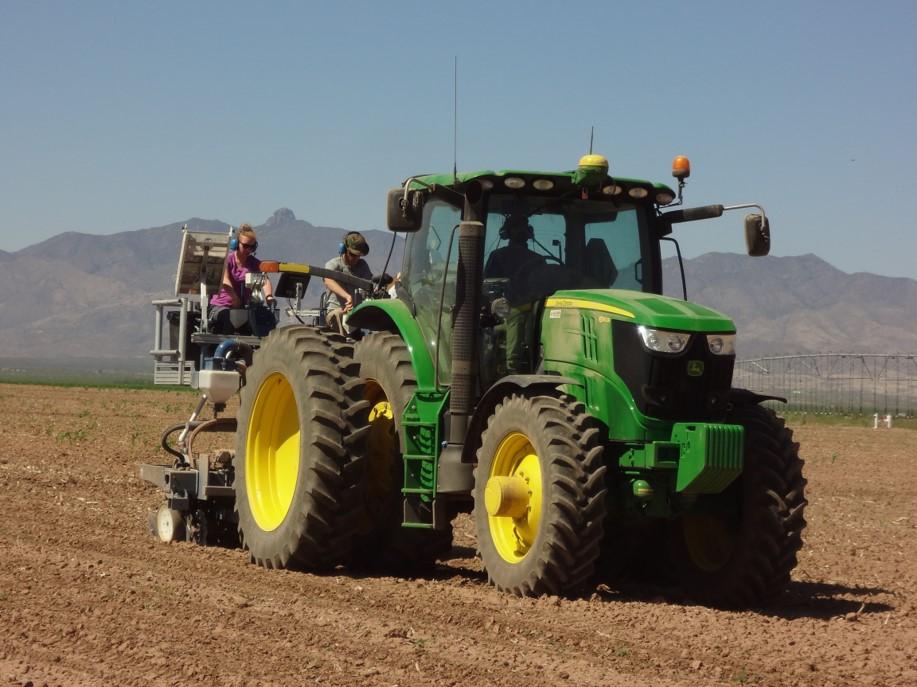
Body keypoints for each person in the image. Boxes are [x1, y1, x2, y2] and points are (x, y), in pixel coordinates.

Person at [484, 215, 545, 375]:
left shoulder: (537, 260)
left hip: (534, 310)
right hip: (505, 310)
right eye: (517, 228)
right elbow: (487, 287)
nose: (521, 232)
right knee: (515, 315)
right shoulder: (498, 257)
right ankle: (513, 368)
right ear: (507, 232)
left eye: (523, 228)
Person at [209, 223, 275, 335]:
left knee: (263, 322)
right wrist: (234, 297)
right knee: (228, 320)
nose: (248, 250)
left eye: (252, 247)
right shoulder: (227, 260)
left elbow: (265, 280)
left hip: (243, 308)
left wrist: (269, 296)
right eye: (245, 246)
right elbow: (225, 280)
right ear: (236, 244)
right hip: (221, 306)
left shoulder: (254, 263)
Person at [324, 231, 373, 334]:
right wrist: (347, 296)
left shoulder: (362, 266)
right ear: (344, 250)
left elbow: (371, 285)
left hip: (356, 316)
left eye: (359, 256)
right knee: (338, 315)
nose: (356, 258)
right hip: (337, 312)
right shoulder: (334, 264)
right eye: (352, 255)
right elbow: (328, 280)